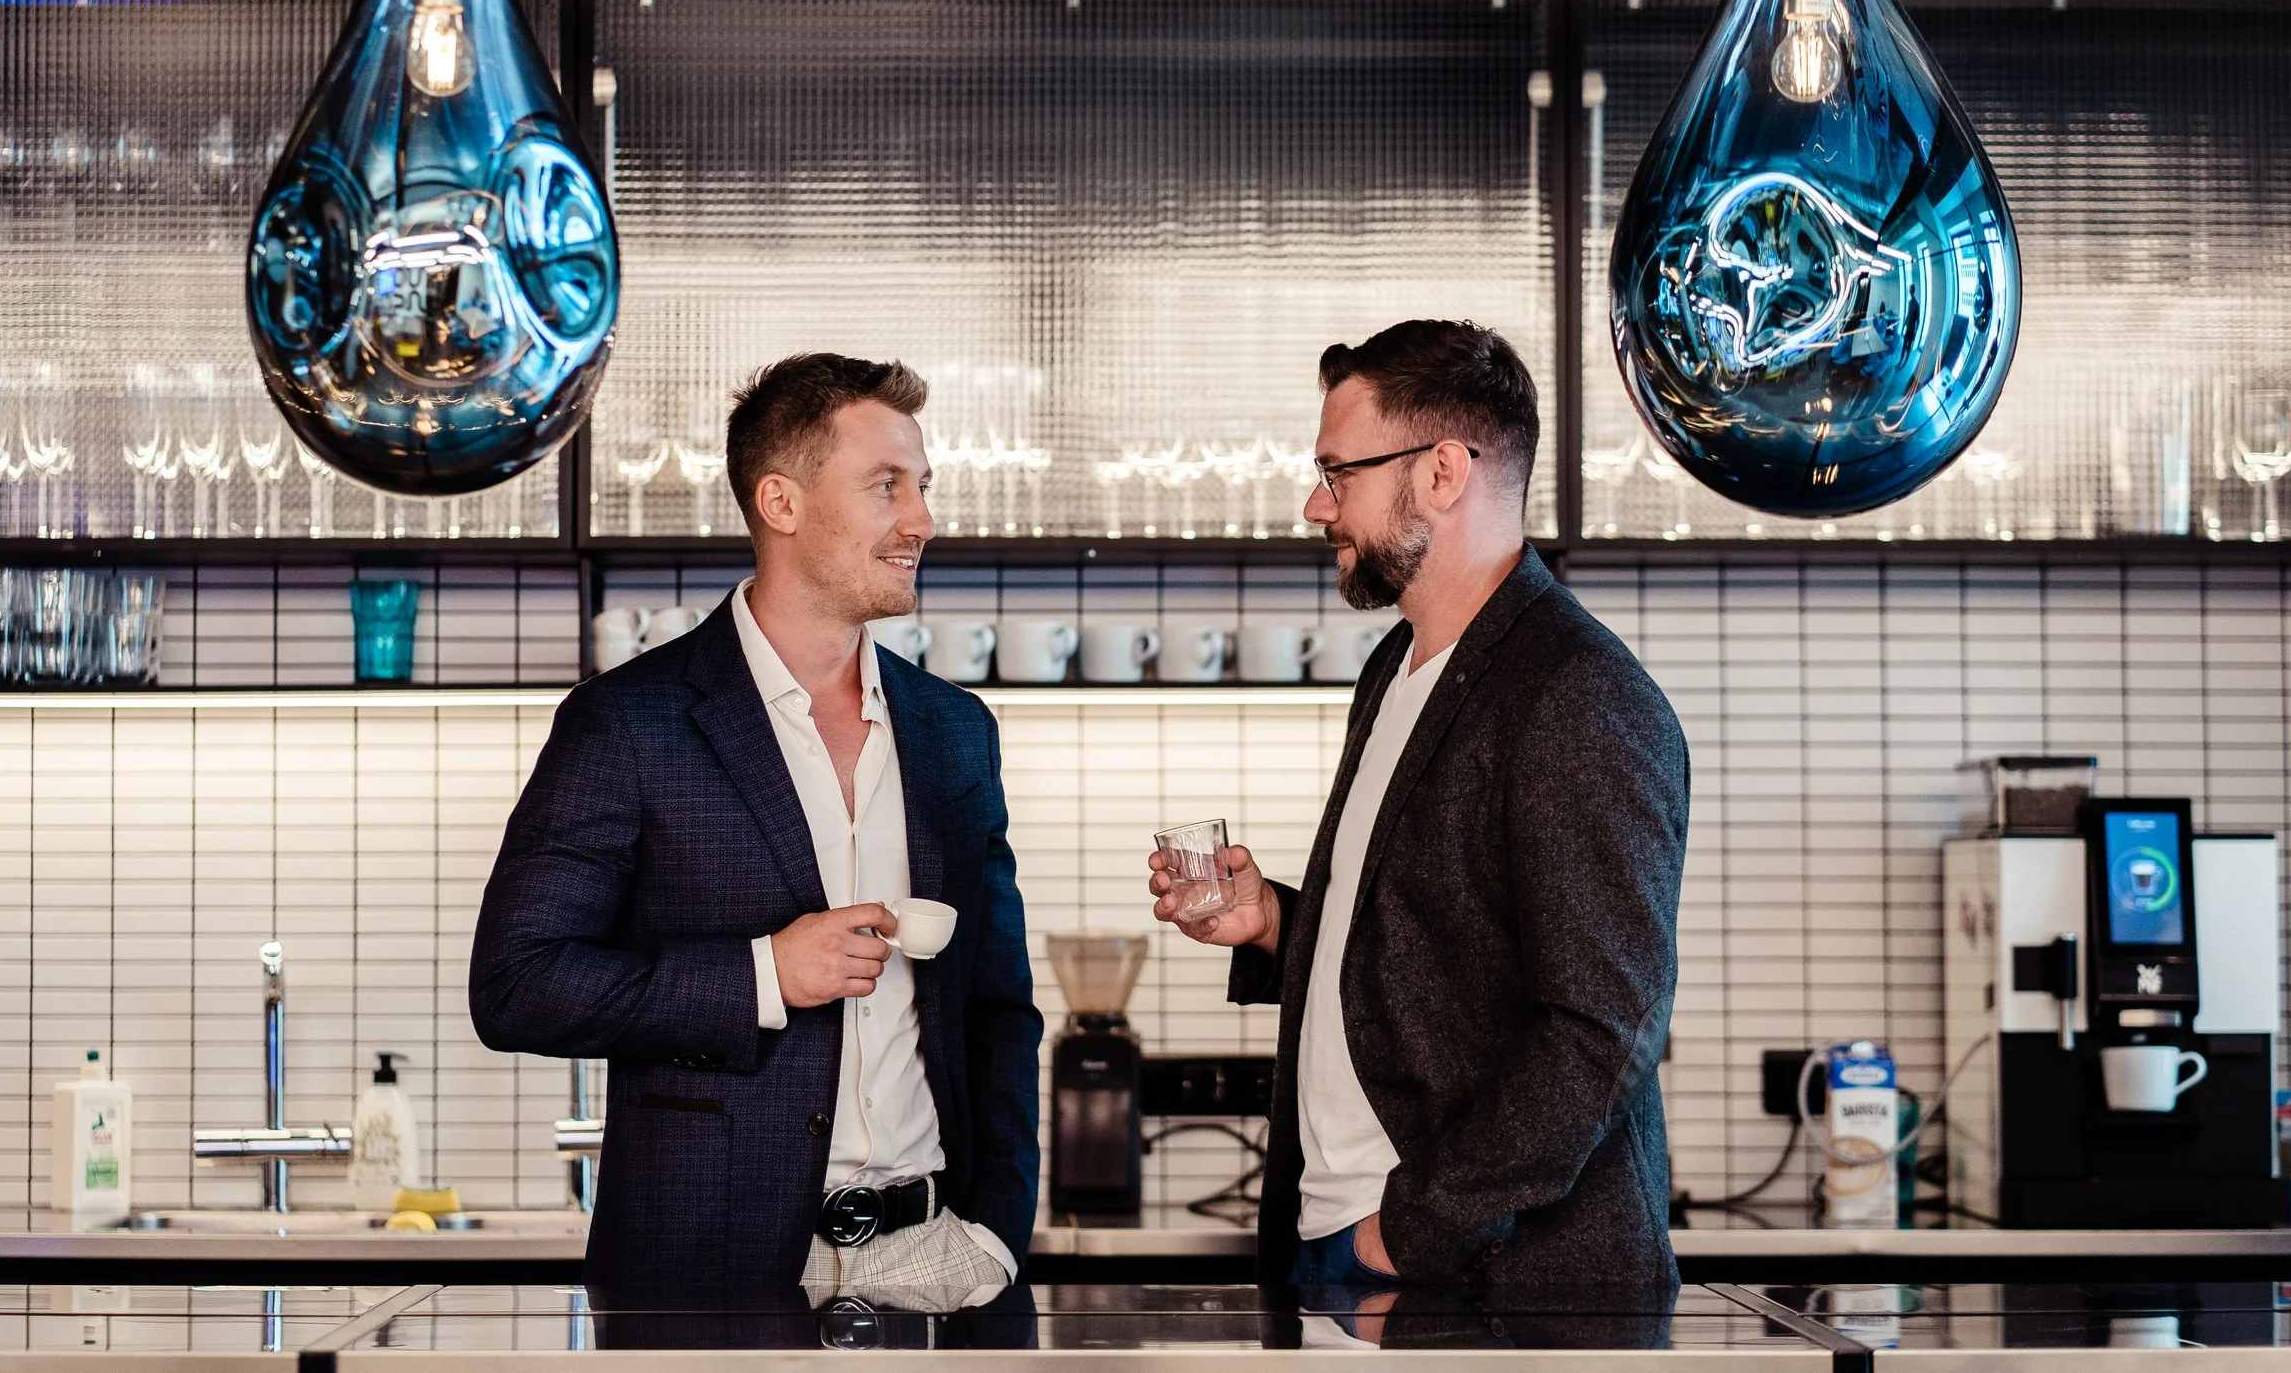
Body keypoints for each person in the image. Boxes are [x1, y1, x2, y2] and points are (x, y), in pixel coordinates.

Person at [471, 353, 1040, 1316]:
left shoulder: (953, 732)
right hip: (702, 1274)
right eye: (886, 486)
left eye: (924, 487)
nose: (923, 521)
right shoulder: (628, 723)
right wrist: (764, 974)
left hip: (939, 1263)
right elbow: (517, 982)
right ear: (780, 500)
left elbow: (1001, 1009)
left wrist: (996, 1232)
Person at [1149, 319, 1688, 1330]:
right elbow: (1434, 945)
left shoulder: (1577, 693)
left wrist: (1407, 1231)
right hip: (1350, 1259)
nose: (1317, 503)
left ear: (1442, 470)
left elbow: (1602, 1029)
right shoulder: (1391, 670)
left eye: (1337, 471)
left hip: (1483, 1284)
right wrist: (1275, 922)